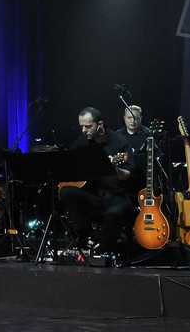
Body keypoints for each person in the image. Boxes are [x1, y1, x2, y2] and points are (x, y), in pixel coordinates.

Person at [58, 106, 137, 264]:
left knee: (114, 212)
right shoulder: (82, 141)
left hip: (116, 195)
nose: (84, 131)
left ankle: (100, 253)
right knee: (66, 192)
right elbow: (70, 164)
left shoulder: (119, 142)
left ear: (100, 124)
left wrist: (114, 168)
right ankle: (88, 235)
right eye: (82, 127)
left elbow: (128, 174)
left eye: (88, 127)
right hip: (93, 194)